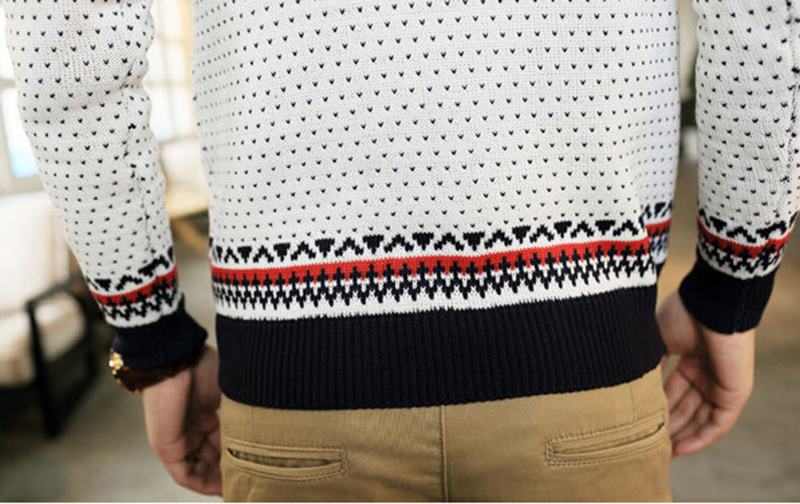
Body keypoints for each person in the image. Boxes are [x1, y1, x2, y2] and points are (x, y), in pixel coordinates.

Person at [4, 0, 797, 500]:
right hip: (585, 375)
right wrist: (730, 286)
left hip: (296, 393)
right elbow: (764, 22)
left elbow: (67, 46)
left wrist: (153, 340)